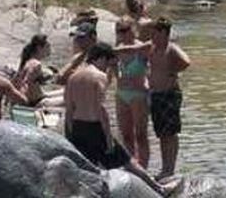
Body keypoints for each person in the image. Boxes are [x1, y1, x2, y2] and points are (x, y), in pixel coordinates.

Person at [64, 37, 171, 194]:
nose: (107, 68)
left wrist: (69, 133)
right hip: (96, 128)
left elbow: (69, 108)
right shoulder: (98, 77)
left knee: (87, 168)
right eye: (107, 63)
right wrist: (108, 137)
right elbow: (100, 109)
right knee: (128, 162)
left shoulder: (73, 77)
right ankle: (158, 189)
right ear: (101, 58)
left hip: (78, 126)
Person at [148, 17, 191, 180]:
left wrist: (173, 71)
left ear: (164, 33)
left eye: (155, 33)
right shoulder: (153, 49)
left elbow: (186, 62)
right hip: (156, 95)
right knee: (161, 133)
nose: (152, 35)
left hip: (169, 94)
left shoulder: (171, 48)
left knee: (171, 133)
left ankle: (170, 169)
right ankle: (164, 167)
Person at [113, 17, 155, 168]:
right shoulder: (117, 48)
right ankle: (132, 165)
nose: (122, 34)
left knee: (141, 135)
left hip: (139, 95)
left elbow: (153, 63)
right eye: (119, 31)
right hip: (121, 94)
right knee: (126, 135)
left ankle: (144, 167)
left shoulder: (141, 48)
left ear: (134, 29)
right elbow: (113, 70)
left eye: (125, 30)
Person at [13, 34, 56, 106]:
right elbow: (27, 83)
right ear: (39, 48)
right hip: (35, 102)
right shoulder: (36, 64)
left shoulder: (29, 62)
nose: (50, 49)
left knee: (65, 92)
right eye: (48, 46)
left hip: (36, 99)